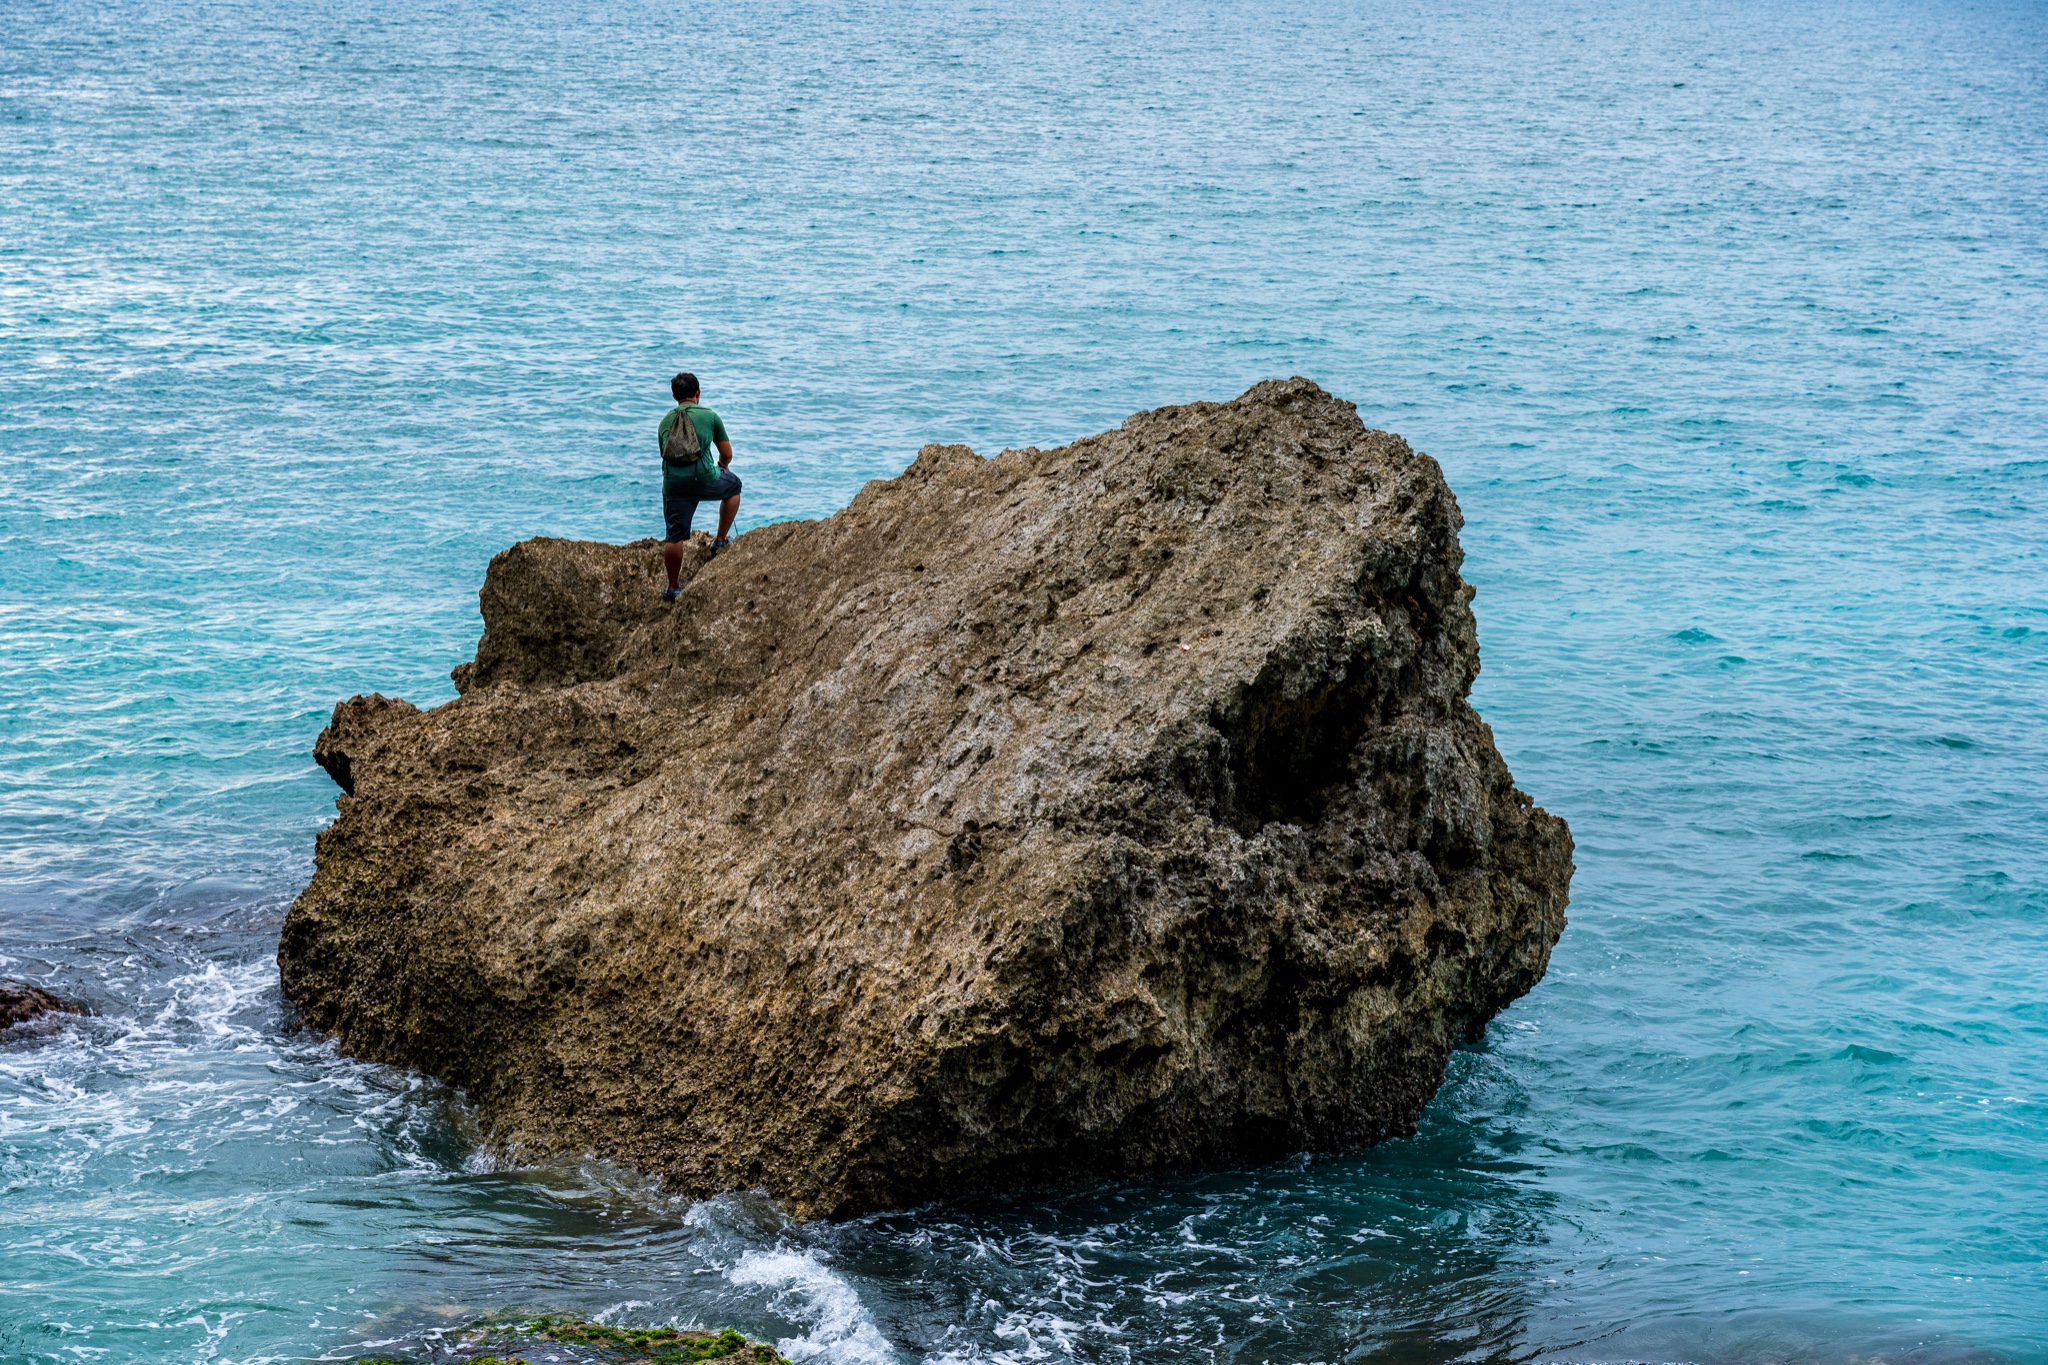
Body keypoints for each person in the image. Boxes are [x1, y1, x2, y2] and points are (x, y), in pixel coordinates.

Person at [657, 371, 740, 600]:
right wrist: (722, 466)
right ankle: (720, 540)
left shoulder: (665, 422)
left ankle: (673, 587)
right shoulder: (710, 416)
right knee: (734, 487)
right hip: (705, 479)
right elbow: (727, 454)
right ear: (698, 393)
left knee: (674, 536)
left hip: (674, 486)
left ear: (674, 396)